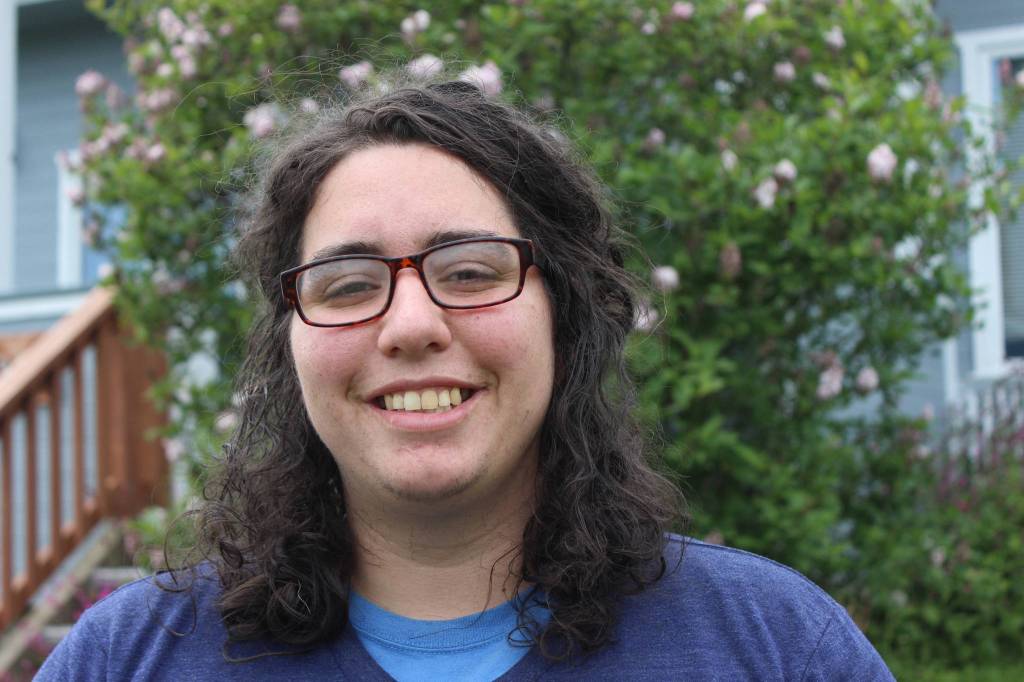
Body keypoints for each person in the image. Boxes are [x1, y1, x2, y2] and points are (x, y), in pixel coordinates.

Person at [38, 78, 894, 681]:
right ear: (289, 343)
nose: (411, 325)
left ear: (564, 315)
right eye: (348, 285)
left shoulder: (776, 649)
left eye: (473, 271)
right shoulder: (125, 662)